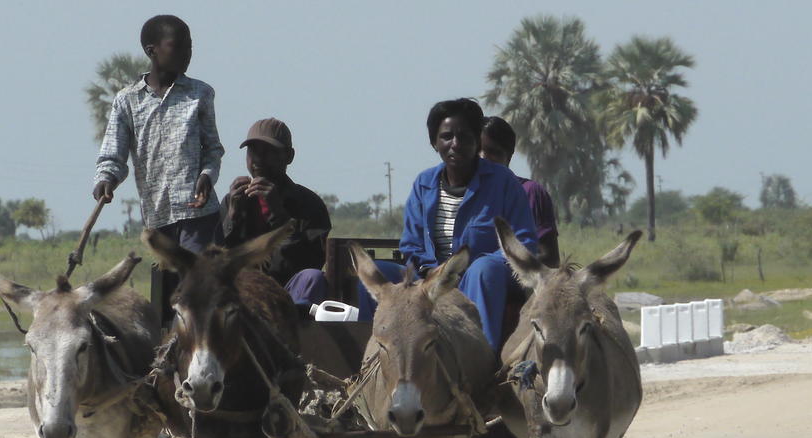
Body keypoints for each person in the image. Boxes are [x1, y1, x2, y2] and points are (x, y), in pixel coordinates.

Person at [362, 98, 539, 349]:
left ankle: (482, 359)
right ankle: (371, 363)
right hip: (431, 278)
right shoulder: (423, 184)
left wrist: (474, 267)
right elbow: (411, 244)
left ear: (476, 140)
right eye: (446, 136)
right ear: (435, 142)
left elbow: (525, 244)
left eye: (464, 136)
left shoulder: (503, 182)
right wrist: (432, 274)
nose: (455, 144)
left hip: (483, 277)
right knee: (372, 274)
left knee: (483, 269)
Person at [91, 14, 223, 311]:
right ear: (152, 50)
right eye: (178, 46)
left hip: (199, 215)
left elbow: (213, 149)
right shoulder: (127, 101)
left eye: (190, 46)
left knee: (198, 292)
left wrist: (207, 175)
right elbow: (113, 155)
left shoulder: (200, 94)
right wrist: (106, 180)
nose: (187, 53)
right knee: (167, 300)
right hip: (158, 215)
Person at [217, 118, 332, 305]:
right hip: (239, 295)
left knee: (313, 277)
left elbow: (310, 263)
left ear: (289, 156)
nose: (258, 159)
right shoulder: (233, 201)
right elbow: (218, 260)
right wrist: (232, 217)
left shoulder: (309, 204)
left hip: (287, 296)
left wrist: (280, 218)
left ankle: (298, 332)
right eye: (252, 151)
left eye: (269, 152)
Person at [480, 116, 560, 267]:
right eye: (477, 150)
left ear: (508, 157)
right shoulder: (460, 196)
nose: (483, 158)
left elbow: (550, 261)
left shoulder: (530, 192)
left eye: (493, 152)